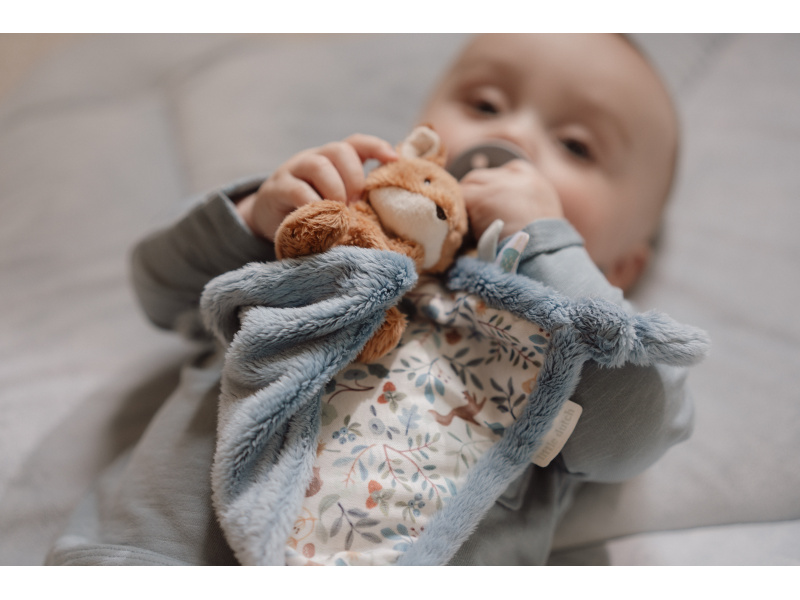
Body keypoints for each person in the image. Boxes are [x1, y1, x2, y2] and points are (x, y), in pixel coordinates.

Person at [48, 34, 693, 566]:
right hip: (157, 554)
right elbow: (161, 290)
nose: (513, 136)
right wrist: (254, 218)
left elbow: (630, 437)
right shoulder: (334, 222)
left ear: (623, 264)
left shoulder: (582, 344)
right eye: (485, 102)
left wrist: (550, 249)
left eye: (577, 146)